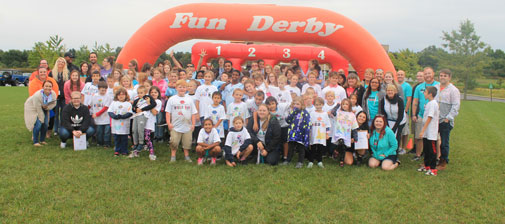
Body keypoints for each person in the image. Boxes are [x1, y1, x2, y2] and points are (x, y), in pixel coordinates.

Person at [166, 80, 198, 163]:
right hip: (175, 126)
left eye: (184, 87)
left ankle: (186, 156)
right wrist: (169, 123)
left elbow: (193, 113)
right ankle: (173, 156)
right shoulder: (172, 99)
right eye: (180, 87)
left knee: (187, 142)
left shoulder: (189, 100)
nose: (182, 89)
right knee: (174, 141)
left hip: (187, 125)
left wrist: (193, 124)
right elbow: (168, 112)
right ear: (176, 88)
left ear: (186, 88)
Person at [411, 67, 439, 161]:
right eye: (426, 73)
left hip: (433, 118)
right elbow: (415, 101)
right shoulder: (419, 87)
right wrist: (414, 114)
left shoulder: (438, 86)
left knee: (434, 138)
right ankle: (418, 154)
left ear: (433, 74)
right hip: (421, 115)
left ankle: (437, 157)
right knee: (419, 136)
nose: (427, 75)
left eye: (429, 73)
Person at [435, 69, 460, 170]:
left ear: (449, 77)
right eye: (441, 75)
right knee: (432, 139)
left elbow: (456, 106)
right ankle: (433, 159)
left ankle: (443, 161)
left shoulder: (453, 90)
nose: (442, 77)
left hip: (445, 120)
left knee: (444, 142)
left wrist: (448, 118)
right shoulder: (436, 87)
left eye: (445, 76)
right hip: (435, 119)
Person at [24, 81, 57, 146]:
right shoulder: (37, 95)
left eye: (50, 86)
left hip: (44, 107)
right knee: (39, 124)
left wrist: (47, 107)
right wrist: (41, 119)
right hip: (33, 107)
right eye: (46, 86)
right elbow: (38, 108)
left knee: (45, 124)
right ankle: (35, 141)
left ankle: (42, 140)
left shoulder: (53, 94)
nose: (48, 88)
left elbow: (54, 103)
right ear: (43, 87)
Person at [417, 86, 439, 176]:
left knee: (431, 150)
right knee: (426, 149)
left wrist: (423, 130)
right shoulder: (429, 103)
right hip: (426, 132)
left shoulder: (433, 103)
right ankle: (427, 166)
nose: (424, 93)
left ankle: (433, 168)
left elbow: (430, 117)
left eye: (425, 92)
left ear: (430, 94)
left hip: (431, 132)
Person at [283, 97, 311, 168]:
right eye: (294, 104)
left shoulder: (305, 113)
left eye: (298, 104)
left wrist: (306, 134)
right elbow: (288, 120)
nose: (296, 105)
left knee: (301, 148)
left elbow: (308, 124)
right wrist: (292, 113)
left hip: (301, 134)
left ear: (302, 105)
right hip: (292, 133)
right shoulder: (293, 112)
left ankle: (300, 162)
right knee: (291, 147)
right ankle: (288, 160)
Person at [379, 84, 406, 154]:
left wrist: (394, 128)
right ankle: (387, 151)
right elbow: (383, 113)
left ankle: (395, 153)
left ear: (395, 91)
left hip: (399, 120)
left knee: (396, 136)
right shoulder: (383, 100)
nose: (390, 92)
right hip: (389, 120)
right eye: (388, 90)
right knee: (387, 135)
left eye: (391, 90)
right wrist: (387, 124)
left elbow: (400, 115)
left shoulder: (399, 100)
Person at [130, 85, 156, 156]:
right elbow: (133, 108)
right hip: (136, 115)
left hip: (143, 115)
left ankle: (141, 143)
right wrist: (136, 109)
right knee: (134, 130)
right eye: (138, 93)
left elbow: (153, 105)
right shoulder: (136, 100)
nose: (139, 94)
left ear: (145, 92)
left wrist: (142, 109)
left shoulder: (148, 98)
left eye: (141, 93)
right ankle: (135, 143)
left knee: (140, 129)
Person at [331, 99, 359, 167]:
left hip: (346, 133)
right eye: (343, 104)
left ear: (349, 105)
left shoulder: (352, 115)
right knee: (341, 142)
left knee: (343, 147)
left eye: (346, 104)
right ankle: (341, 161)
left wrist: (355, 137)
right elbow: (333, 112)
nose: (344, 105)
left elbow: (354, 126)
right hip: (339, 132)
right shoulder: (339, 112)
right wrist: (337, 105)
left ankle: (339, 156)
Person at [108, 87, 133, 156]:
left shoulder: (128, 104)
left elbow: (130, 113)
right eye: (119, 95)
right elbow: (110, 112)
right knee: (117, 138)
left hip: (124, 125)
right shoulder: (114, 103)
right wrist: (115, 116)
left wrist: (122, 116)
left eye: (123, 94)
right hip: (116, 125)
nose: (121, 96)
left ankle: (124, 150)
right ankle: (117, 150)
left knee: (124, 139)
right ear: (117, 96)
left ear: (126, 95)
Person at [308, 97, 331, 168]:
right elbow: (309, 123)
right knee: (313, 147)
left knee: (321, 148)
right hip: (314, 133)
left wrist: (327, 134)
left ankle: (319, 161)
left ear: (323, 104)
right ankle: (311, 161)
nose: (318, 106)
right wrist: (308, 133)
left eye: (320, 104)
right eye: (317, 105)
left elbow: (327, 124)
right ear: (314, 105)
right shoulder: (312, 113)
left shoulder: (325, 114)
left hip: (321, 134)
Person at [49, 57, 70, 136]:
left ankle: (62, 128)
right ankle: (56, 129)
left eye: (62, 62)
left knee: (63, 113)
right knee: (56, 113)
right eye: (59, 62)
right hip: (55, 96)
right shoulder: (52, 73)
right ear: (56, 63)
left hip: (64, 96)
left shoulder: (67, 73)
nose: (60, 63)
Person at [90, 81, 112, 148]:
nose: (103, 92)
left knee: (107, 132)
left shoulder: (108, 97)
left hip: (106, 118)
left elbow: (106, 107)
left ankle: (107, 143)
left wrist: (97, 114)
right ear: (98, 89)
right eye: (102, 90)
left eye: (105, 90)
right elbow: (90, 105)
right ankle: (99, 143)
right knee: (99, 131)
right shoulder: (94, 96)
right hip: (98, 119)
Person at [396, 70, 412, 155]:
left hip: (403, 112)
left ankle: (404, 147)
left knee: (405, 131)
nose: (400, 76)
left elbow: (409, 98)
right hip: (396, 112)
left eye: (401, 74)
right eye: (398, 74)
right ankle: (398, 146)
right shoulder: (395, 85)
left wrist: (405, 110)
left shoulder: (407, 86)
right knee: (398, 130)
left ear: (404, 76)